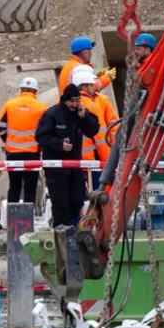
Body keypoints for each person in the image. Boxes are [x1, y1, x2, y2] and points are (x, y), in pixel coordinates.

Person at [36, 84, 100, 227]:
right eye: (72, 101)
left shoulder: (80, 113)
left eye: (77, 101)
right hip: (56, 168)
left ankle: (73, 233)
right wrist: (59, 144)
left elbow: (93, 130)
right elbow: (41, 136)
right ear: (65, 100)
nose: (74, 104)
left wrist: (84, 117)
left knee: (77, 201)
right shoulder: (52, 114)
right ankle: (60, 233)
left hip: (75, 167)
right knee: (61, 204)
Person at [0, 77, 47, 204]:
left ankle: (13, 217)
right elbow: (45, 132)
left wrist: (9, 141)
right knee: (30, 188)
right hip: (32, 154)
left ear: (20, 90)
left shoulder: (9, 105)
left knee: (14, 187)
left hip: (13, 154)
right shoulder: (41, 108)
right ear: (35, 92)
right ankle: (28, 218)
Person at [73, 71, 109, 191]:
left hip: (70, 162)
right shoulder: (93, 106)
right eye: (91, 85)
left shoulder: (61, 104)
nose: (94, 87)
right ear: (84, 87)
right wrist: (109, 163)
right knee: (96, 199)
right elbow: (101, 139)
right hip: (91, 163)